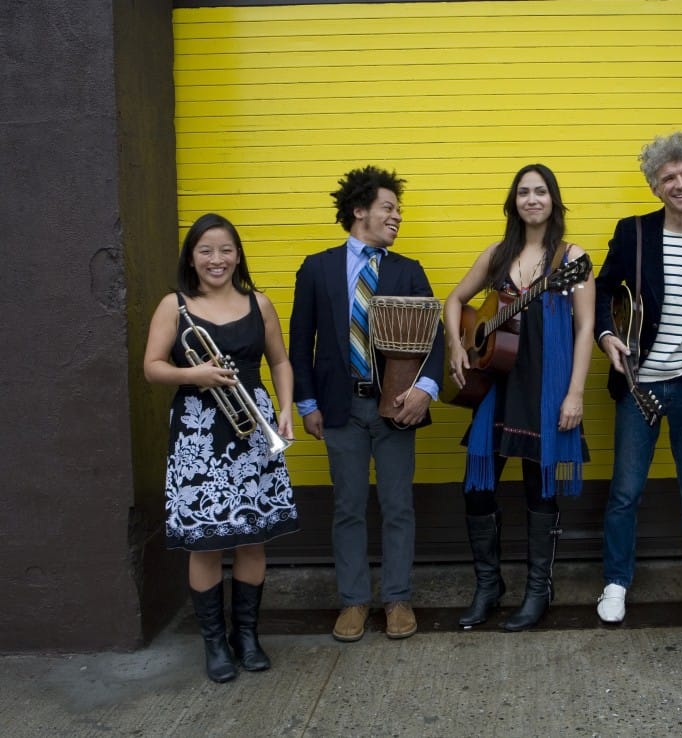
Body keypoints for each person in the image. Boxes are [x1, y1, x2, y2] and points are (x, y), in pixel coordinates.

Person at [290, 165, 444, 643]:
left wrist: (428, 389)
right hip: (341, 410)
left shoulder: (408, 271)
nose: (397, 217)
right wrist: (307, 403)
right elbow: (300, 343)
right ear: (360, 211)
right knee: (348, 507)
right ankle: (353, 601)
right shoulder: (316, 268)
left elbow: (434, 338)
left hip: (396, 409)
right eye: (388, 208)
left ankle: (397, 598)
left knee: (398, 506)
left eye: (399, 210)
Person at [143, 213, 299, 683]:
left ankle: (246, 636)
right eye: (206, 250)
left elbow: (280, 360)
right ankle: (214, 643)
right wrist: (196, 375)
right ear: (191, 256)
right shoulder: (175, 305)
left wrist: (286, 409)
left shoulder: (260, 303)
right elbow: (152, 367)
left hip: (254, 428)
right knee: (207, 543)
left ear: (238, 254)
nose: (217, 259)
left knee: (252, 536)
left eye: (226, 249)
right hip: (198, 433)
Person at [445, 163, 594, 631]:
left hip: (546, 388)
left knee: (539, 490)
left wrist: (575, 394)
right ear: (514, 203)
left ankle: (537, 590)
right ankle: (489, 587)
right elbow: (455, 301)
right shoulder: (497, 254)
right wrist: (456, 344)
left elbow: (587, 326)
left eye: (541, 191)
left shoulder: (571, 256)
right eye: (524, 192)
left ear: (554, 200)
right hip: (496, 386)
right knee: (478, 488)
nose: (532, 199)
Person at [593, 132, 682, 625]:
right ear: (654, 186)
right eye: (668, 177)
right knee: (626, 491)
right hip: (638, 385)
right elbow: (604, 289)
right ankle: (615, 582)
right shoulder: (634, 232)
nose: (680, 183)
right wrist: (607, 336)